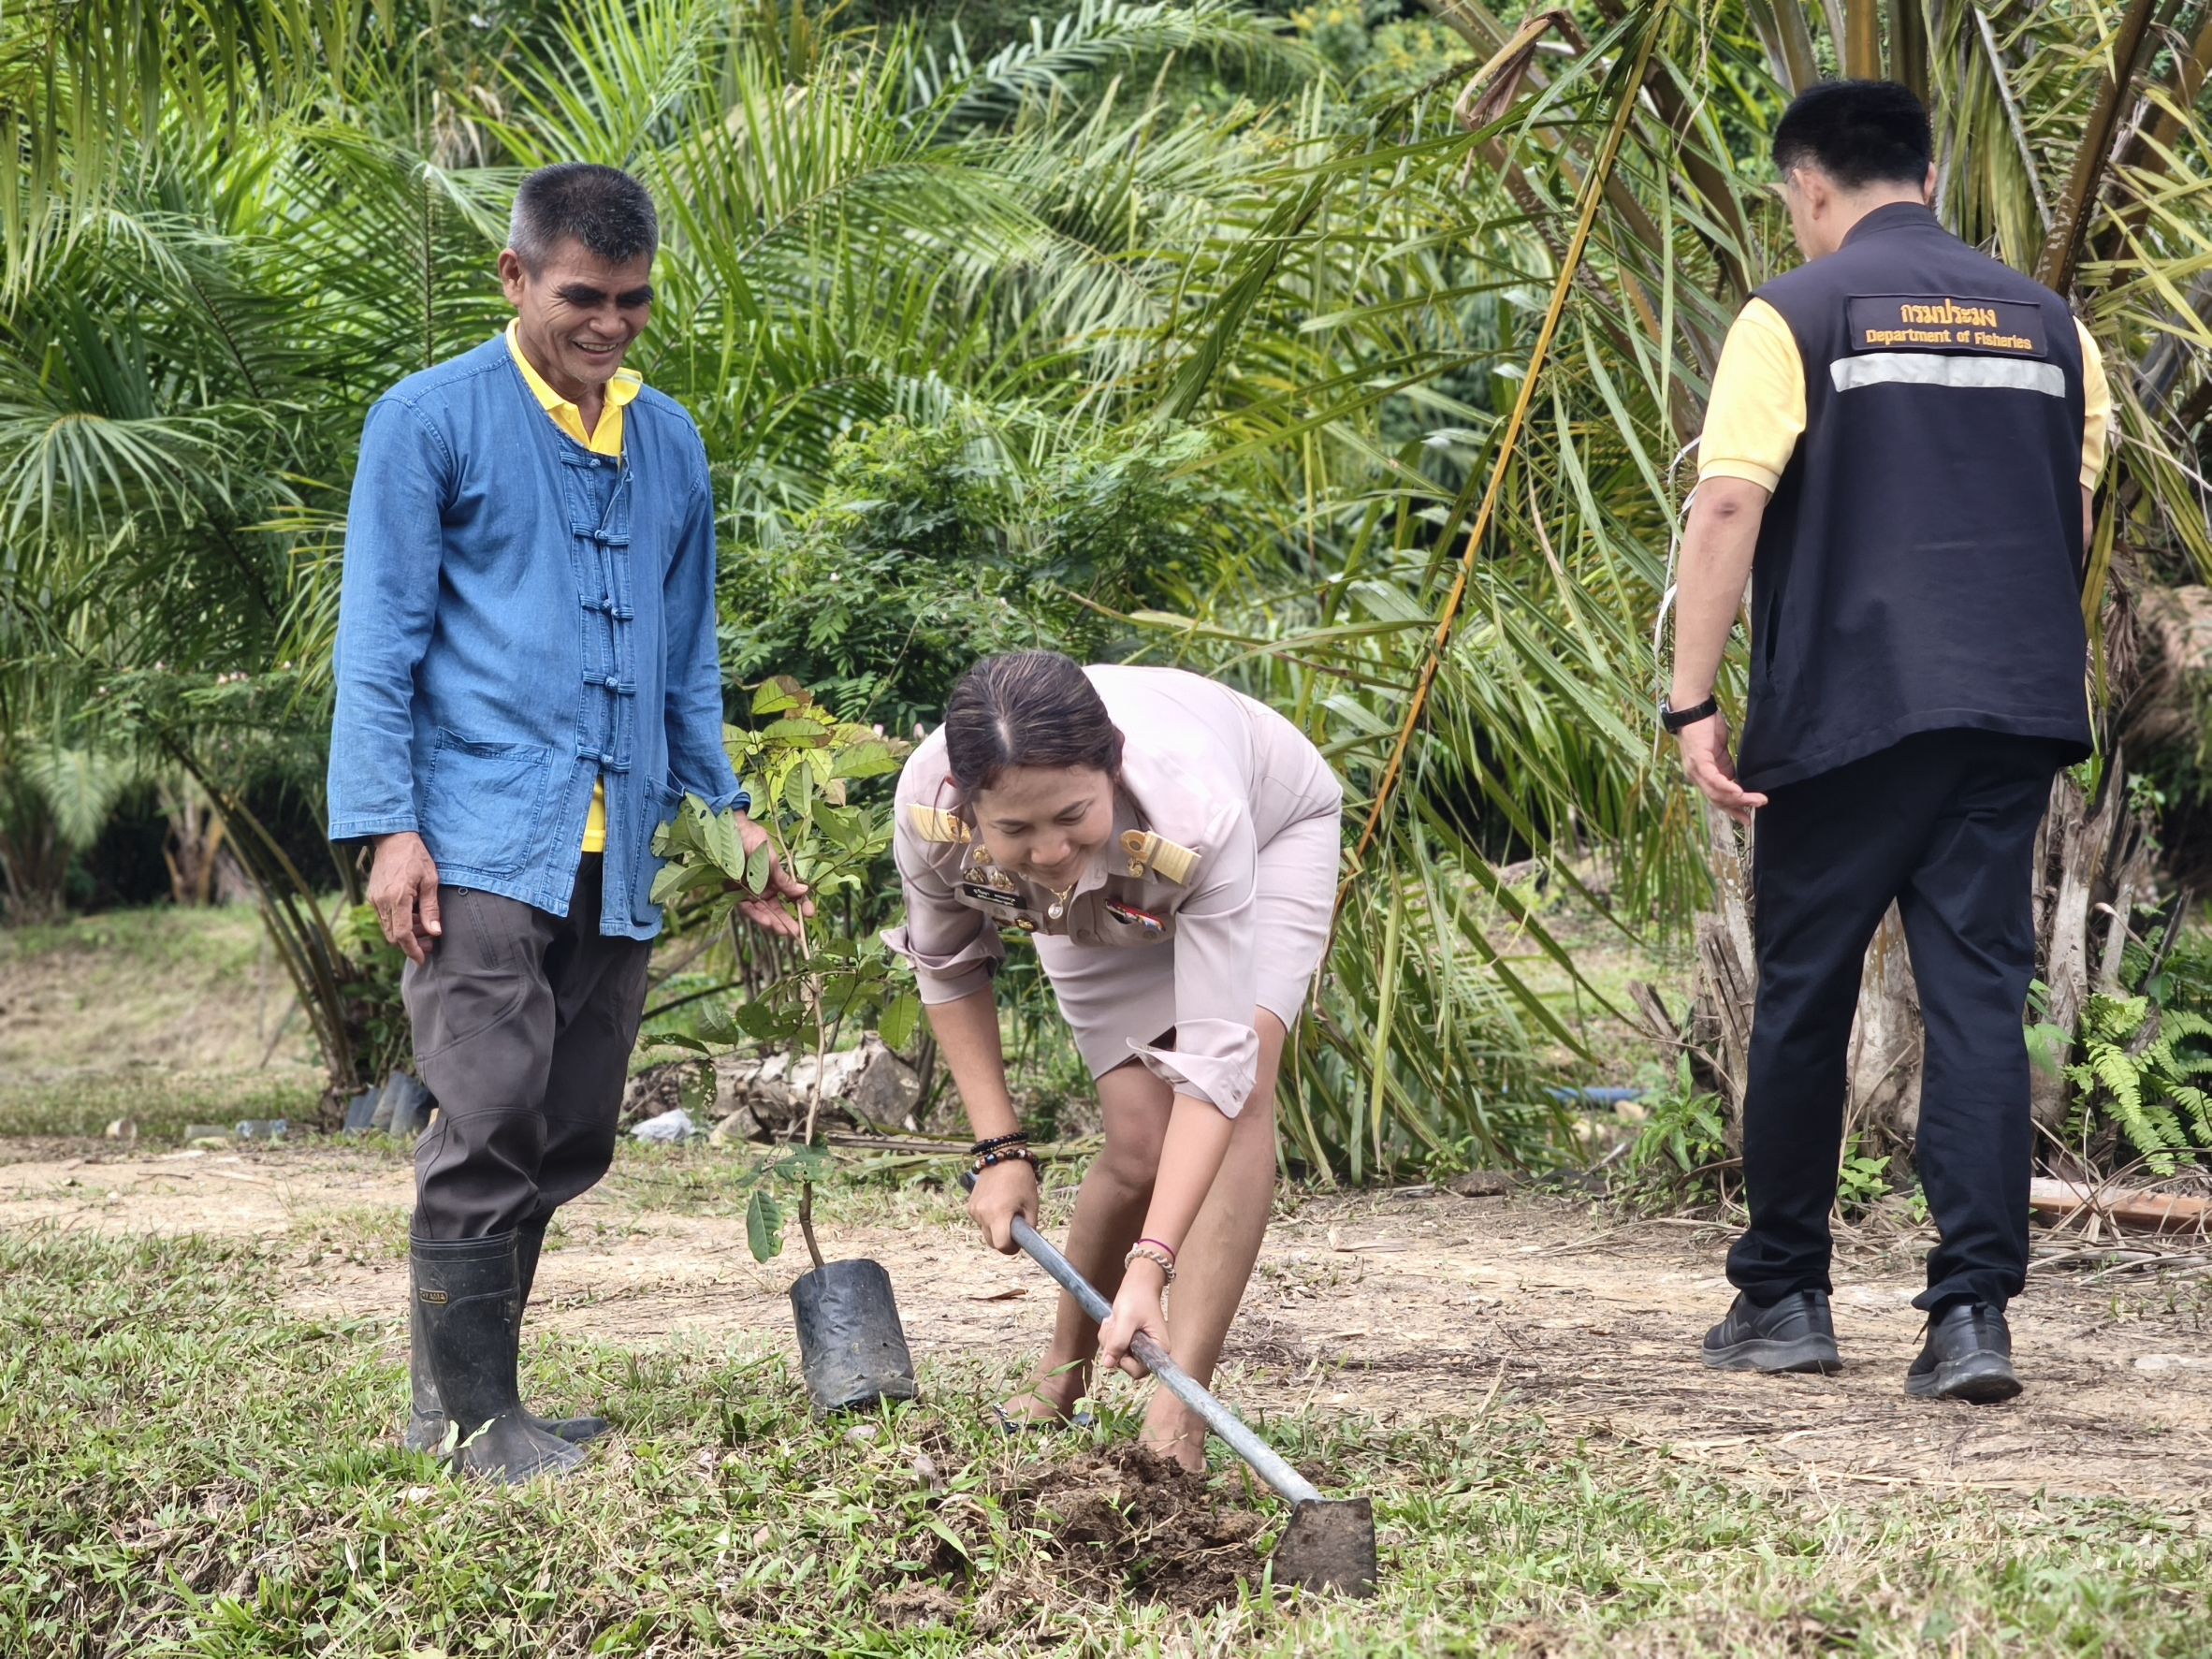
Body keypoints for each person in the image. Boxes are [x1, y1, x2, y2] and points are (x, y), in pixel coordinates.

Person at [327, 164, 805, 1482]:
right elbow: (378, 645)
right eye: (583, 297)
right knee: (485, 1119)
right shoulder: (431, 421)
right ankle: (473, 1425)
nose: (609, 325)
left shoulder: (672, 442)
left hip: (627, 840)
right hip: (479, 831)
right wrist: (386, 829)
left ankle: (476, 1402)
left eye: (634, 301)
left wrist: (730, 816)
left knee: (571, 1127)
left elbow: (686, 660)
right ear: (517, 277)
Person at [1667, 81, 2110, 1403]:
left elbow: (1732, 501)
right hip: (2010, 711)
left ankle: (1787, 1296)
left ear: (1810, 188)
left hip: (1850, 715)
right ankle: (1971, 1320)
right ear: (1928, 172)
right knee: (1979, 1006)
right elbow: (2069, 523)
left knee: (1804, 993)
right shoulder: (2051, 324)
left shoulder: (1791, 314)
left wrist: (1693, 704)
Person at [885, 653, 1342, 1468]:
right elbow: (949, 965)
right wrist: (1001, 1151)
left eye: (1070, 814)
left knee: (1242, 1092)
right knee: (1138, 1142)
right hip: (1109, 900)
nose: (1051, 849)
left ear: (1111, 763)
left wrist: (1150, 1266)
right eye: (1016, 829)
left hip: (1263, 842)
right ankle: (1064, 1377)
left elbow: (1213, 1068)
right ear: (967, 800)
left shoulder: (1198, 809)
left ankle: (1179, 1412)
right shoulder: (930, 812)